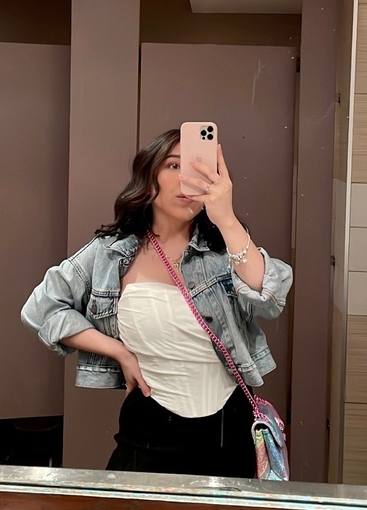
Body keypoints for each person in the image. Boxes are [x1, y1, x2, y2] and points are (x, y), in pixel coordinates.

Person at [21, 128, 292, 478]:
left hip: (229, 428)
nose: (187, 178)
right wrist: (118, 351)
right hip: (149, 429)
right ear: (149, 181)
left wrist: (226, 219)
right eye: (174, 165)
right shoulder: (111, 253)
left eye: (198, 168)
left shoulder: (227, 249)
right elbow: (41, 309)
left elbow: (270, 296)